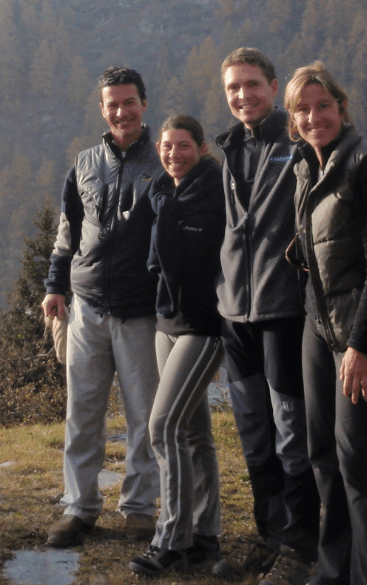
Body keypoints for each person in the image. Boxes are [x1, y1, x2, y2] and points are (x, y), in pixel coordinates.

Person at [283, 62, 367, 585]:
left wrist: (361, 348)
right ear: (293, 119)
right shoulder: (307, 165)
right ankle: (334, 569)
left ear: (341, 107)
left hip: (360, 334)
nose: (314, 117)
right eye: (303, 109)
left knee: (356, 458)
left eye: (323, 106)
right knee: (323, 454)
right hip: (318, 327)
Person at [42, 66, 161, 548]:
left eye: (129, 102)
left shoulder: (164, 158)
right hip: (86, 306)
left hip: (140, 308)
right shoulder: (85, 162)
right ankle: (79, 507)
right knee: (82, 412)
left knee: (143, 416)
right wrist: (55, 286)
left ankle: (138, 510)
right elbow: (67, 229)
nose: (121, 111)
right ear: (102, 109)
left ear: (143, 105)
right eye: (112, 104)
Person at [213, 48, 320, 585]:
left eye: (252, 85)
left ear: (274, 88)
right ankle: (269, 537)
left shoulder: (297, 142)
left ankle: (302, 548)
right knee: (254, 431)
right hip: (234, 313)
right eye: (233, 87)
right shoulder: (227, 147)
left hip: (283, 309)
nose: (243, 96)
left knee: (289, 431)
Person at [129, 114, 226, 577]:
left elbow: (195, 258)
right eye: (166, 146)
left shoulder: (212, 192)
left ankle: (171, 539)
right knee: (193, 433)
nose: (173, 154)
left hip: (203, 325)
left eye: (183, 146)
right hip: (166, 321)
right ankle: (206, 535)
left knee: (162, 427)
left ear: (201, 149)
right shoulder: (164, 191)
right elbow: (153, 258)